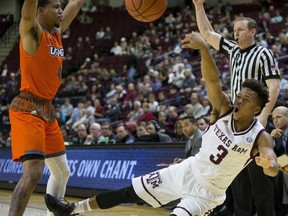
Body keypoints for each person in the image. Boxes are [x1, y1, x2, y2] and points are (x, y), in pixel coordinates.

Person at [44, 32, 279, 216]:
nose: (238, 100)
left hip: (205, 194)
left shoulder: (260, 137)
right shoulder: (224, 109)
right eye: (239, 96)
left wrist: (269, 164)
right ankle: (71, 210)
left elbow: (272, 166)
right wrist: (205, 50)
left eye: (245, 100)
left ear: (257, 109)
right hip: (185, 171)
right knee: (127, 192)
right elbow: (212, 79)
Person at [192, 0, 280, 215]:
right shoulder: (233, 50)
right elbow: (207, 32)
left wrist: (264, 115)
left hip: (254, 117)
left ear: (252, 31)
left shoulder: (263, 54)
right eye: (234, 30)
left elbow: (274, 85)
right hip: (234, 119)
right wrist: (198, 5)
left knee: (259, 175)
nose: (235, 33)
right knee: (237, 177)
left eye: (240, 29)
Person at [8, 0, 84, 215]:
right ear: (40, 11)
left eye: (61, 6)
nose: (61, 10)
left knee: (62, 172)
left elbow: (77, 3)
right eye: (56, 7)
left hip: (47, 111)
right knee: (33, 172)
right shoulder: (32, 33)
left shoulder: (56, 33)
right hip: (27, 109)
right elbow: (27, 13)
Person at [271, 106, 288, 215]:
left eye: (279, 117)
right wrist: (270, 139)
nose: (275, 121)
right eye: (273, 118)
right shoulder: (274, 134)